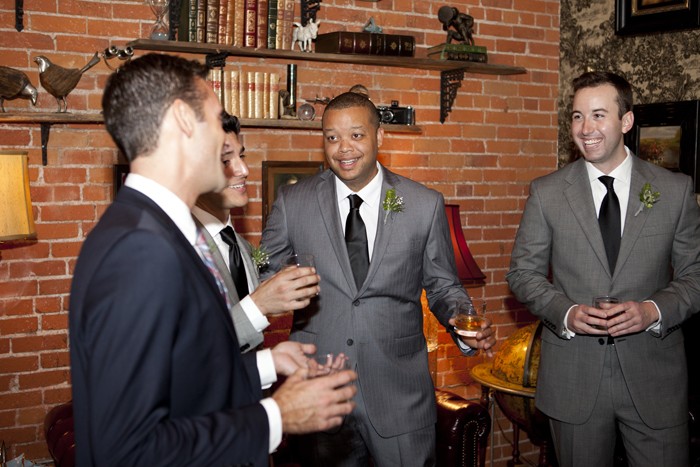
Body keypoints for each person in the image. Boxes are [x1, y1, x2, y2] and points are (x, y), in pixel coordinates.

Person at [69, 53, 356, 467]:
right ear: (185, 120)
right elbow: (126, 450)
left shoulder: (157, 230)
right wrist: (276, 416)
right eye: (217, 118)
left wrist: (263, 364)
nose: (225, 138)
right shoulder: (138, 251)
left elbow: (179, 384)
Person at [260, 90, 496, 466]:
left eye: (356, 135)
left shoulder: (419, 203)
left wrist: (461, 318)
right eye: (332, 137)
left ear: (379, 137)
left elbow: (442, 284)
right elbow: (262, 266)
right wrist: (242, 264)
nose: (343, 148)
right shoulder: (294, 203)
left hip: (399, 396)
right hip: (319, 393)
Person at [506, 71, 700, 467]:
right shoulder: (546, 193)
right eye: (577, 117)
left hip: (655, 379)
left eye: (598, 115)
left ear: (626, 121)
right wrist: (567, 313)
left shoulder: (675, 191)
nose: (585, 128)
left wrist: (652, 310)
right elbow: (522, 275)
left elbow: (695, 276)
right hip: (574, 379)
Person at [193, 111, 321, 352]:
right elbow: (190, 348)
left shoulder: (241, 247)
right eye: (225, 161)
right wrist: (258, 305)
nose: (243, 170)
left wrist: (269, 363)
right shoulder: (178, 247)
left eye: (241, 156)